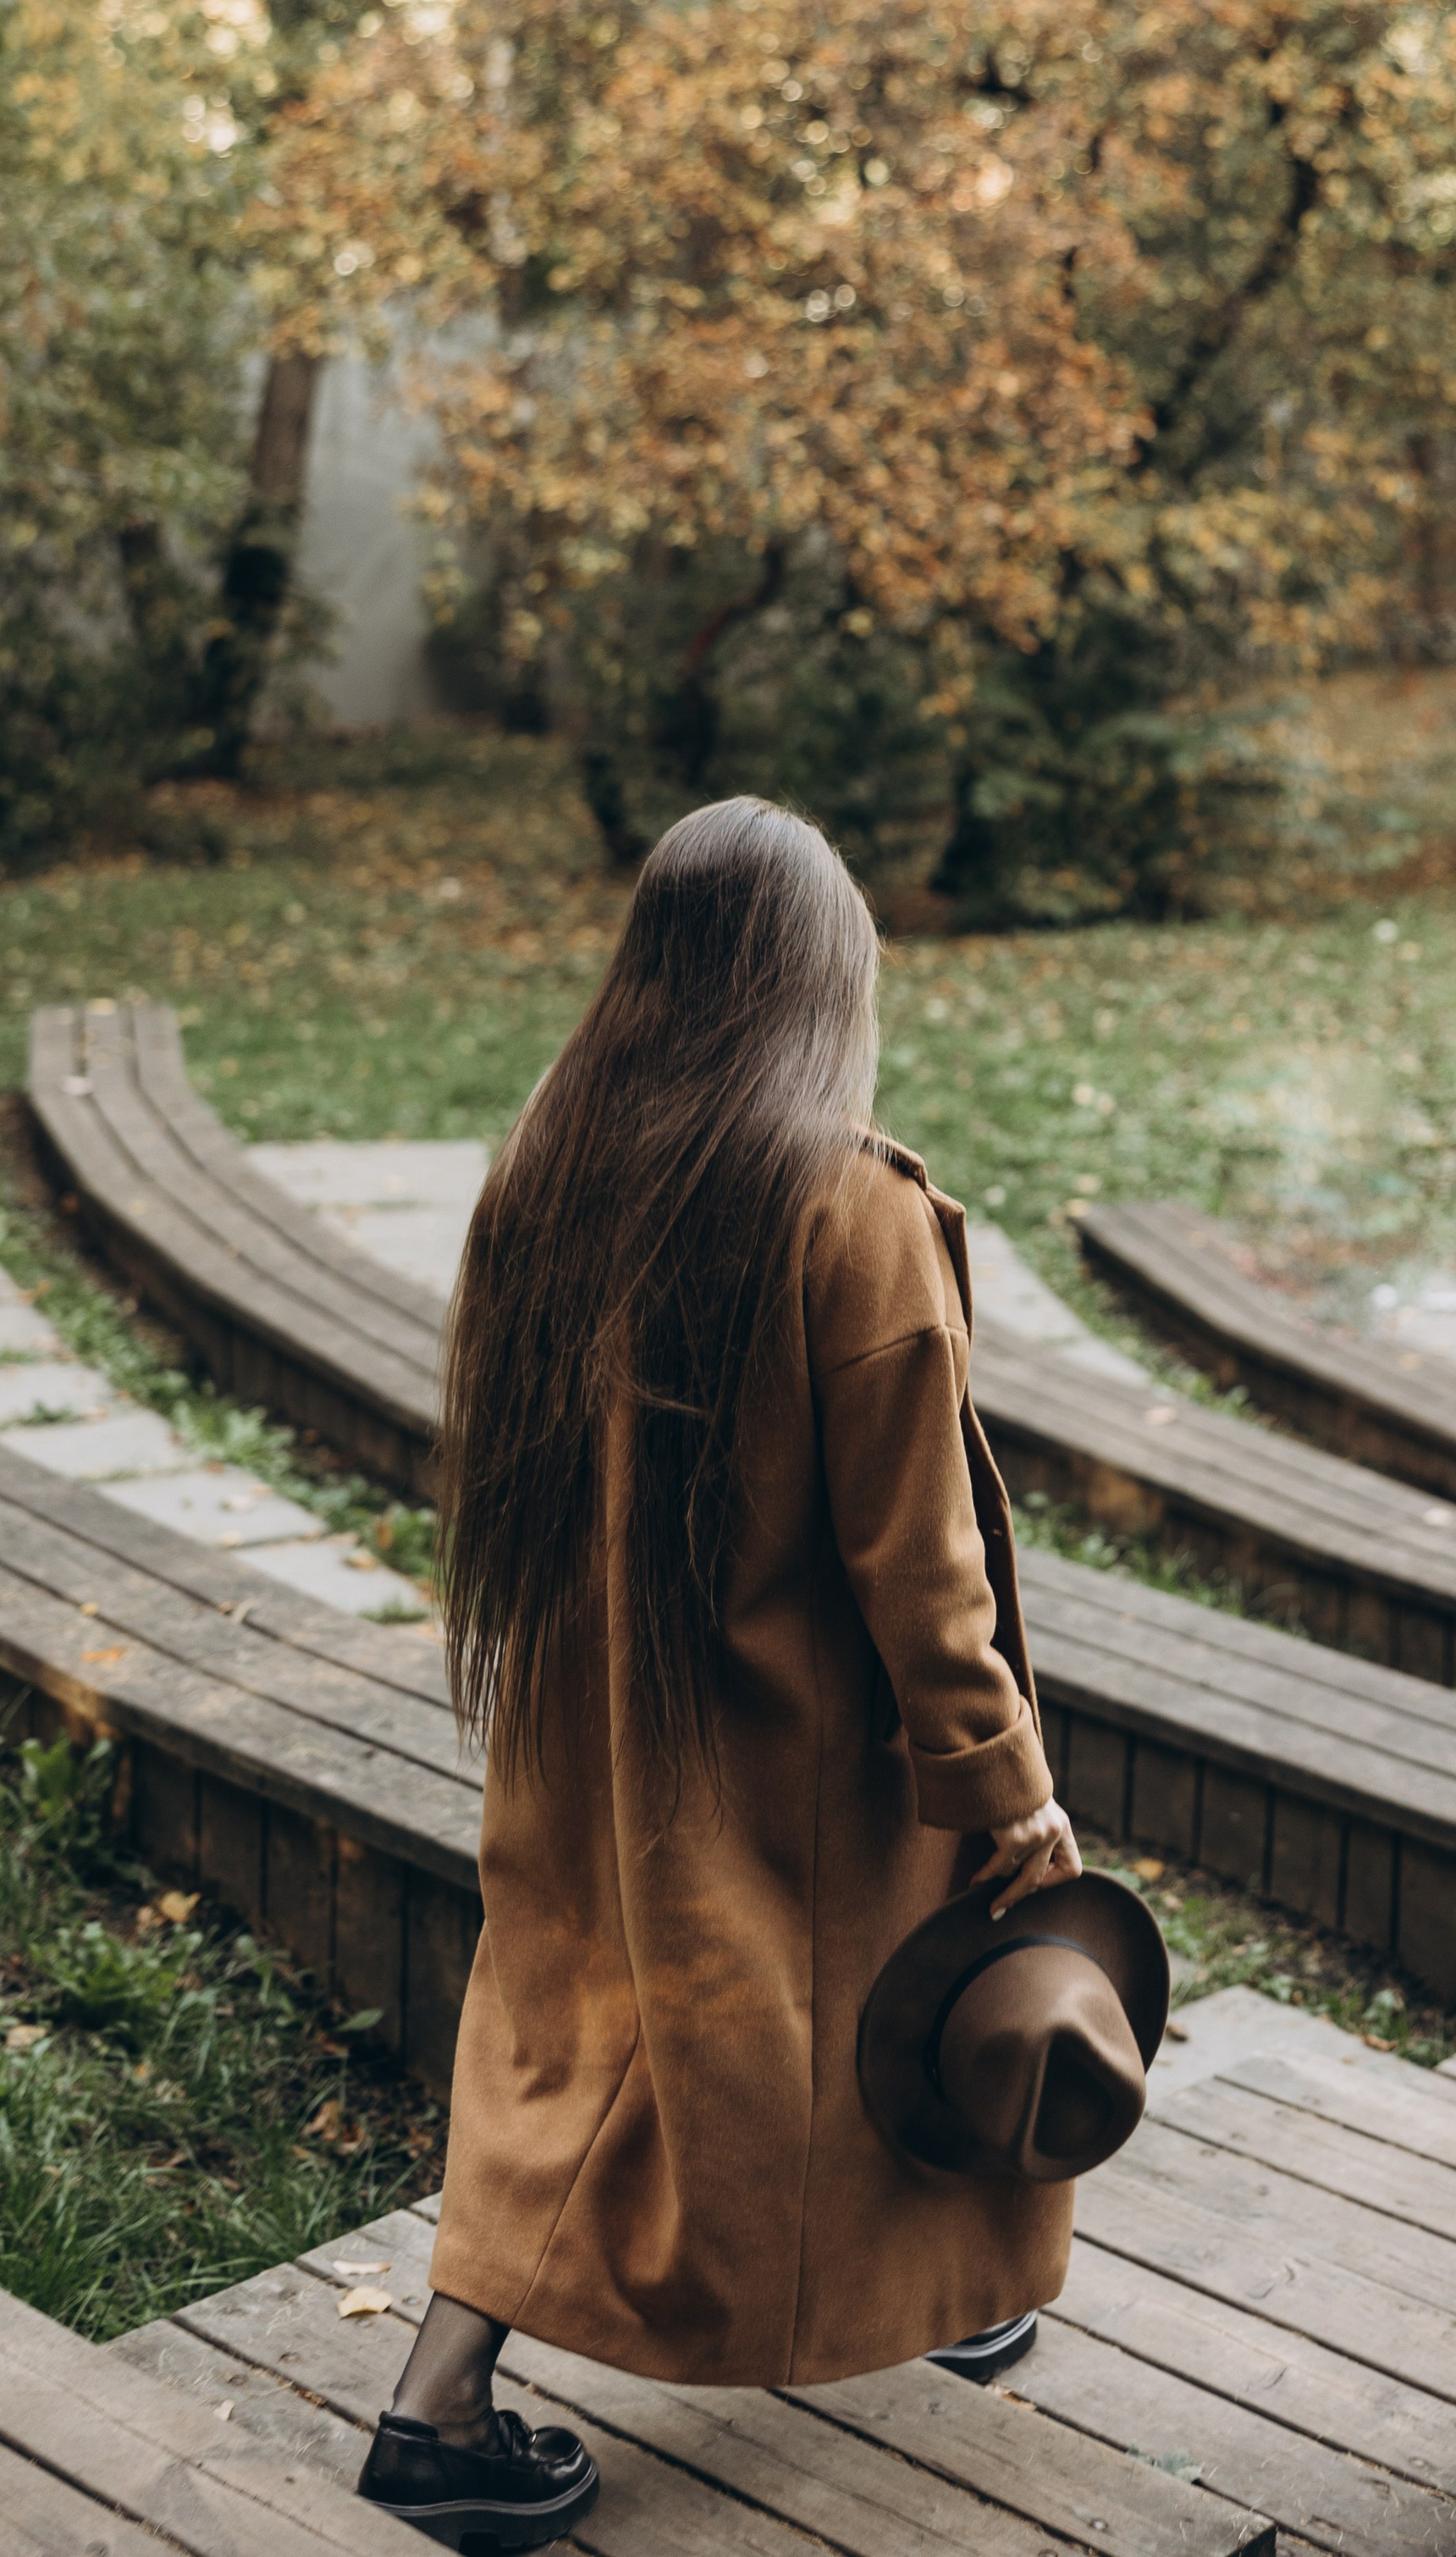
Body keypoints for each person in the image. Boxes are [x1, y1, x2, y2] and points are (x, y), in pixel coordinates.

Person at [357, 796, 1083, 2549]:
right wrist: (1002, 1782)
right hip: (786, 1748)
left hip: (584, 1731)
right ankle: (959, 2283)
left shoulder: (549, 1174)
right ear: (820, 982)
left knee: (566, 2037)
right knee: (919, 1990)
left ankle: (436, 2402)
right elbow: (919, 1565)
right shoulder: (846, 1208)